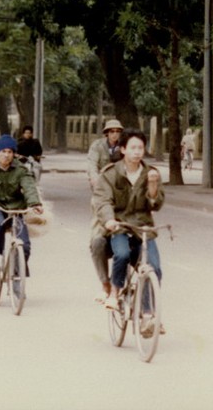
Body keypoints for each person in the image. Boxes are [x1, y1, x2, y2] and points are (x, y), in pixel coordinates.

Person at [94, 130, 164, 326]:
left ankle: (148, 315)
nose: (137, 152)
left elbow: (155, 205)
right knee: (122, 254)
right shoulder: (110, 173)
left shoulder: (151, 173)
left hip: (143, 228)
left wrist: (152, 186)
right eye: (132, 148)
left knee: (154, 269)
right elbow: (102, 201)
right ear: (123, 149)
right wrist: (109, 220)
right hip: (120, 226)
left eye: (140, 148)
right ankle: (115, 293)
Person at [0, 135, 43, 271]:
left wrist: (35, 203)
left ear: (14, 154)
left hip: (16, 208)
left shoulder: (21, 170)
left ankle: (17, 274)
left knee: (24, 245)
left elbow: (29, 187)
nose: (6, 155)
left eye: (10, 152)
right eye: (3, 152)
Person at [87, 119, 125, 299]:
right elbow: (92, 165)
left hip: (122, 192)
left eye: (118, 131)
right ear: (106, 133)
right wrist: (96, 181)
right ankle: (105, 283)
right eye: (112, 131)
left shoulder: (125, 147)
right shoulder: (98, 147)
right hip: (102, 191)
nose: (115, 134)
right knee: (97, 241)